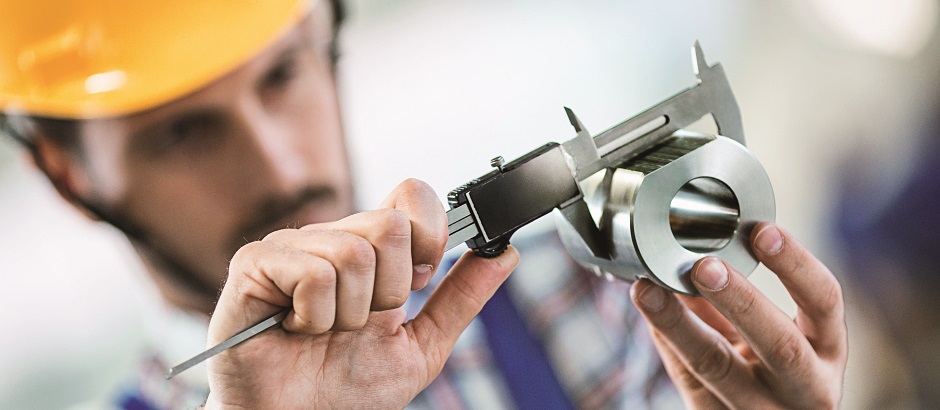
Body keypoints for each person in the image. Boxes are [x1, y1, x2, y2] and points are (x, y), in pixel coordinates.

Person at [0, 0, 848, 408]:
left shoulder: (579, 296)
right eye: (184, 135)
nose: (278, 164)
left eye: (284, 75)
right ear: (71, 178)